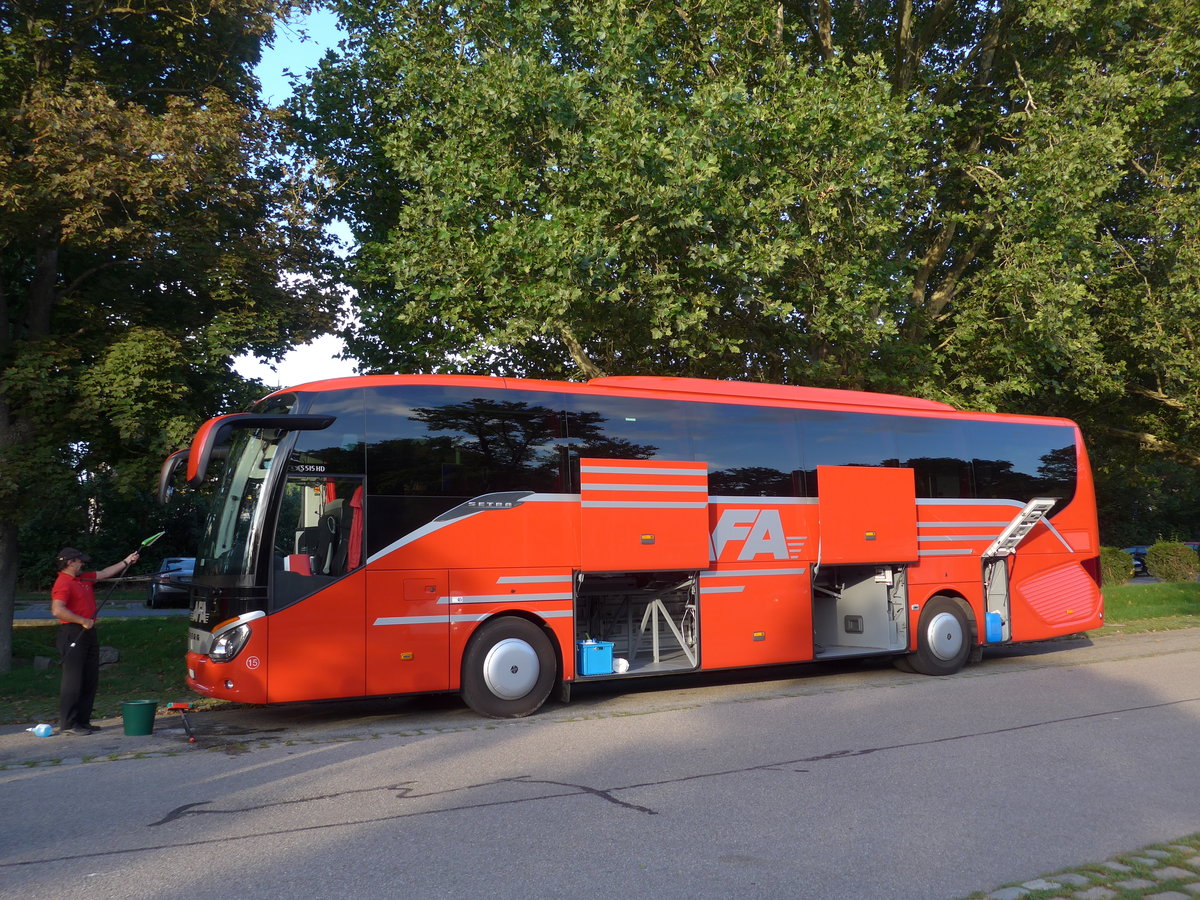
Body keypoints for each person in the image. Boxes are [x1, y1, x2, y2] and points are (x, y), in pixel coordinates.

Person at [51, 546, 139, 736]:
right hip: (73, 632)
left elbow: (105, 573)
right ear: (70, 563)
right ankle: (69, 723)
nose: (82, 563)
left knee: (90, 678)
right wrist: (82, 620)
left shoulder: (84, 578)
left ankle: (83, 721)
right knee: (73, 681)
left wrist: (126, 561)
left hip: (89, 631)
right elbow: (58, 610)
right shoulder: (63, 583)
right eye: (79, 560)